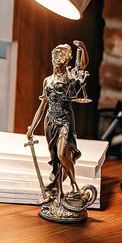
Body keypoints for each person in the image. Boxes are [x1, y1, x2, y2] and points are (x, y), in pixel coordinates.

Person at [26, 42, 88, 201]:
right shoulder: (47, 81)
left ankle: (75, 186)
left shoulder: (69, 77)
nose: (56, 60)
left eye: (60, 57)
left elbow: (82, 66)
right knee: (56, 160)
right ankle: (59, 192)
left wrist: (81, 48)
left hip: (65, 120)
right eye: (55, 56)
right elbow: (42, 106)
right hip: (50, 121)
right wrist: (32, 128)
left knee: (62, 154)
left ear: (66, 60)